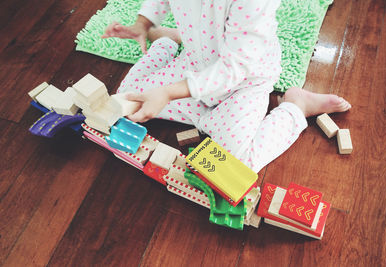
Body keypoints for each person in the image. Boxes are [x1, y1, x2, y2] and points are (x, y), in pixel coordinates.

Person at [102, 0, 351, 173]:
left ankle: (296, 107)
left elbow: (233, 68)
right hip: (196, 61)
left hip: (244, 82)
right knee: (129, 98)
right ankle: (168, 42)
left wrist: (167, 93)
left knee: (234, 163)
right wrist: (142, 24)